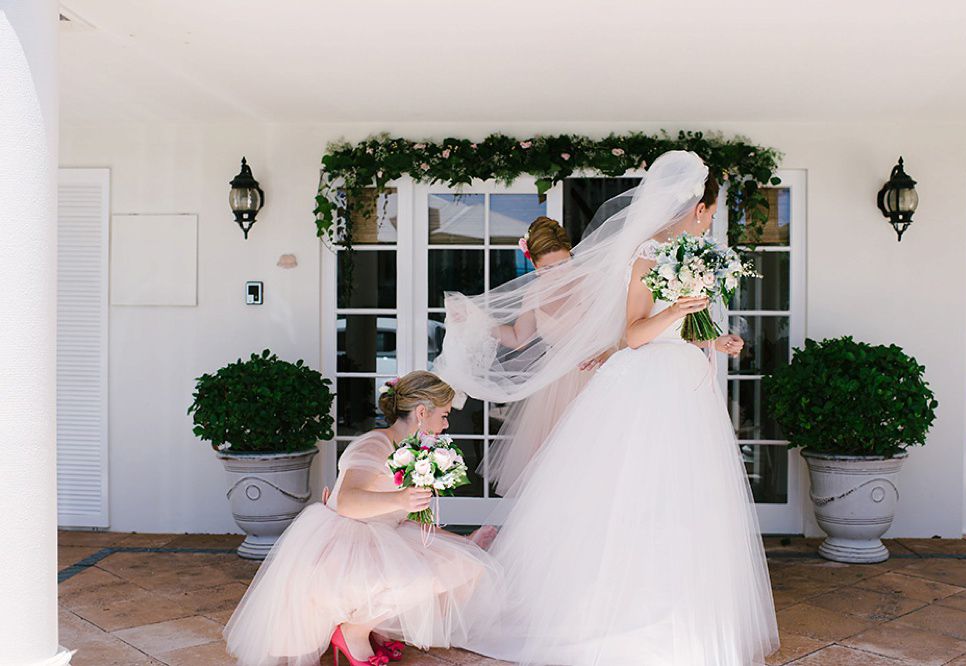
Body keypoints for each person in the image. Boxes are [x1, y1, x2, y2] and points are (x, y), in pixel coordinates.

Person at [453, 151, 779, 665]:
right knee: (633, 493)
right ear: (696, 206)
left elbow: (679, 328)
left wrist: (715, 340)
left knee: (683, 499)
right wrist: (677, 309)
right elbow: (634, 334)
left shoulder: (691, 254)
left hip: (685, 382)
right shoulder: (647, 254)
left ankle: (681, 615)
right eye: (710, 211)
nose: (711, 219)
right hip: (648, 385)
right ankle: (621, 614)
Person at [223, 371, 504, 666]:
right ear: (422, 412)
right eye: (444, 415)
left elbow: (400, 518)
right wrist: (400, 498)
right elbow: (345, 501)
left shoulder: (414, 448)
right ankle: (353, 633)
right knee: (414, 576)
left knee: (465, 567)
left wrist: (460, 540)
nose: (446, 424)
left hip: (385, 532)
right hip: (346, 540)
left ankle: (378, 627)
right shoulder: (375, 444)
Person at [444, 216, 610, 495]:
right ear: (533, 265)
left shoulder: (595, 282)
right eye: (548, 268)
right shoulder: (534, 292)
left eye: (563, 263)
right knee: (553, 467)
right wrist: (476, 321)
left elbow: (617, 329)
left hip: (595, 377)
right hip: (555, 385)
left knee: (595, 458)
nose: (558, 273)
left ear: (571, 254)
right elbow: (519, 339)